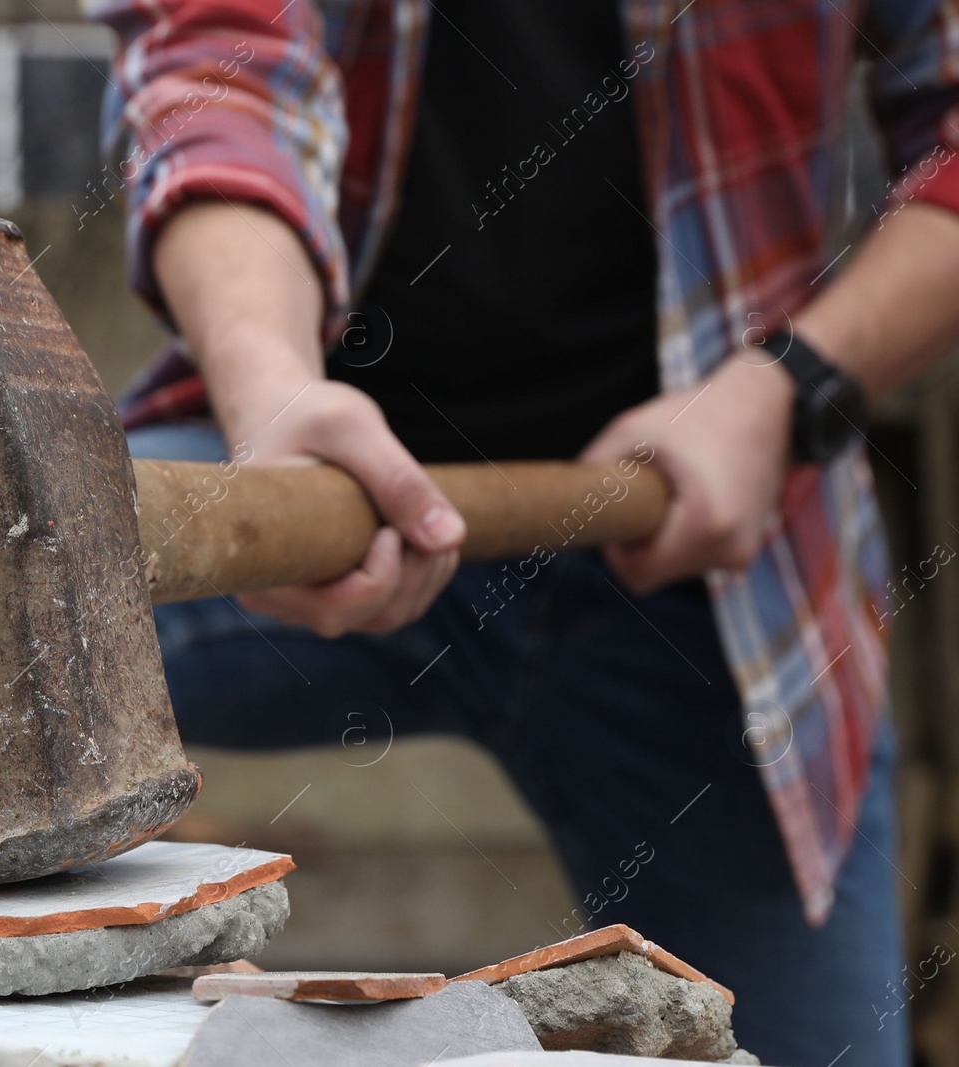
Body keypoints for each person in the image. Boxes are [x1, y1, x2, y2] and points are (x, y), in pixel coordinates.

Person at [72, 0, 959, 1063]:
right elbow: (216, 69)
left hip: (723, 569)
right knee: (25, 624)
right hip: (323, 490)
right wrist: (267, 389)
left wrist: (790, 386)